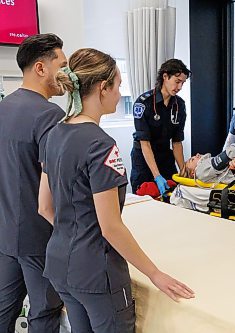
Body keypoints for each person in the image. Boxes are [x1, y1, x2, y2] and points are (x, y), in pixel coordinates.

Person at [38, 48, 195, 333]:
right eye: (118, 85)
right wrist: (155, 274)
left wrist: (75, 235)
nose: (119, 92)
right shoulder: (100, 145)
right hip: (97, 273)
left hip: (60, 263)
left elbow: (45, 207)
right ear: (103, 88)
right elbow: (110, 227)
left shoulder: (53, 135)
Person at [0, 33, 65, 333]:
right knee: (45, 312)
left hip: (5, 232)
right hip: (39, 237)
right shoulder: (50, 115)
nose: (67, 75)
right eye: (62, 66)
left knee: (4, 309)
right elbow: (58, 183)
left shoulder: (4, 107)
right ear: (41, 68)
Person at [130, 59, 191, 195]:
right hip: (144, 158)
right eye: (177, 81)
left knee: (173, 195)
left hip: (165, 155)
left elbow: (176, 142)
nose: (180, 87)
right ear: (165, 76)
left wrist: (183, 170)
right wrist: (157, 175)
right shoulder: (143, 103)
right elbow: (144, 143)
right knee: (144, 197)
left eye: (183, 83)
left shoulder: (179, 105)